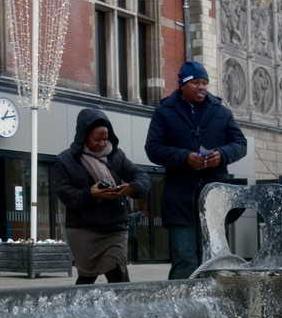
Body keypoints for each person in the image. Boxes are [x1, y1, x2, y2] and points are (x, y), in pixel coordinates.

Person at [145, 61, 247, 279]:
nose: (202, 87)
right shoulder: (164, 112)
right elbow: (153, 149)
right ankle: (182, 307)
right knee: (184, 258)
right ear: (183, 85)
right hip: (180, 199)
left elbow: (240, 144)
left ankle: (212, 306)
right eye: (196, 83)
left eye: (205, 83)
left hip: (214, 200)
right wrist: (184, 158)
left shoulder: (222, 112)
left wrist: (222, 154)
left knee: (213, 259)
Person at [54, 108, 150, 285]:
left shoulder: (116, 156)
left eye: (105, 138)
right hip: (83, 229)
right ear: (84, 136)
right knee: (86, 278)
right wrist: (90, 193)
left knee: (117, 274)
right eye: (97, 139)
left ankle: (124, 310)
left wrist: (132, 187)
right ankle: (79, 311)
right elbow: (64, 193)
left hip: (114, 227)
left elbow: (142, 176)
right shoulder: (65, 160)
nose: (102, 143)